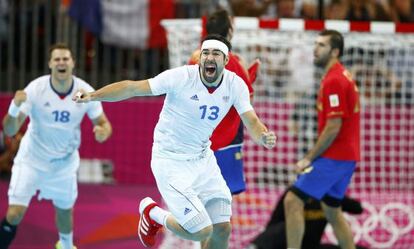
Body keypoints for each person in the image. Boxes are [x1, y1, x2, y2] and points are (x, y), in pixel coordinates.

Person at [73, 34, 276, 249]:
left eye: (216, 54)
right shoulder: (181, 78)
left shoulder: (236, 85)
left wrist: (262, 135)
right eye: (205, 53)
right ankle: (153, 213)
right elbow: (132, 87)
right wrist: (93, 95)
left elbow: (251, 120)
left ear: (226, 61)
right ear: (200, 58)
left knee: (222, 229)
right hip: (170, 161)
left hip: (203, 159)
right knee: (201, 230)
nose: (209, 57)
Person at [0, 43, 112, 249]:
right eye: (57, 59)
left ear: (73, 63)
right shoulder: (35, 89)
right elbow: (9, 130)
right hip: (32, 159)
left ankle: (66, 246)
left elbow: (103, 123)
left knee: (64, 211)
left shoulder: (84, 91)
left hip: (64, 163)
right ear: (50, 64)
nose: (61, 62)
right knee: (14, 215)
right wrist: (14, 109)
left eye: (65, 59)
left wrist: (103, 132)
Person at [283, 30, 360, 249]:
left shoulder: (335, 79)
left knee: (292, 200)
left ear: (335, 52)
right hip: (347, 158)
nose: (315, 50)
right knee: (332, 210)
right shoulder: (339, 75)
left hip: (335, 157)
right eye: (315, 44)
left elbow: (333, 126)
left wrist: (308, 158)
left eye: (322, 46)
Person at [189, 9, 258, 195]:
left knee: (198, 194)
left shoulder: (194, 59)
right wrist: (249, 77)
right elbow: (246, 100)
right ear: (230, 32)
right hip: (226, 138)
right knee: (222, 198)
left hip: (199, 139)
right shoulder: (233, 62)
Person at [247, 187, 368, 249]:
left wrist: (335, 195)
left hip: (311, 246)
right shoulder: (293, 196)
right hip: (287, 245)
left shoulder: (327, 197)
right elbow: (272, 227)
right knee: (283, 228)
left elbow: (358, 208)